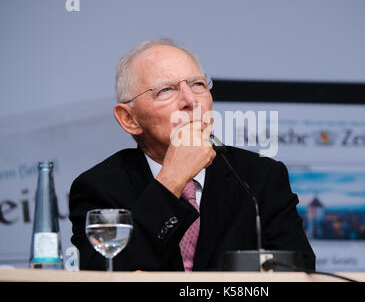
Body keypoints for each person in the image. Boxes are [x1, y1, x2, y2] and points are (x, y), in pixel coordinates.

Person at [69, 38, 315, 271]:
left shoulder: (261, 177)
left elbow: (299, 271)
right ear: (129, 119)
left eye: (198, 84)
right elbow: (104, 274)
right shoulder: (99, 187)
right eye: (165, 90)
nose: (190, 100)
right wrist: (171, 182)